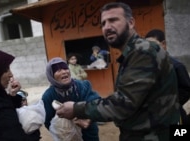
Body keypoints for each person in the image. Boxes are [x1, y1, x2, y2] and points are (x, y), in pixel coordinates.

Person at [56, 2, 180, 141]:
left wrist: (76, 109)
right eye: (103, 23)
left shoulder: (143, 52)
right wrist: (92, 115)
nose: (107, 27)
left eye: (113, 20)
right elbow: (129, 98)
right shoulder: (132, 53)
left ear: (131, 22)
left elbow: (123, 104)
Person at [41, 57, 100, 141]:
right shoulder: (48, 96)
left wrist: (89, 119)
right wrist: (62, 130)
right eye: (58, 70)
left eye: (65, 68)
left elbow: (95, 103)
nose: (64, 72)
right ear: (51, 76)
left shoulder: (83, 86)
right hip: (65, 137)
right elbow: (48, 121)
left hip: (89, 133)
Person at [145, 29, 190, 124]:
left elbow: (186, 90)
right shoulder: (146, 67)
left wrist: (169, 104)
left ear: (163, 44)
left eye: (154, 45)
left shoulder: (177, 66)